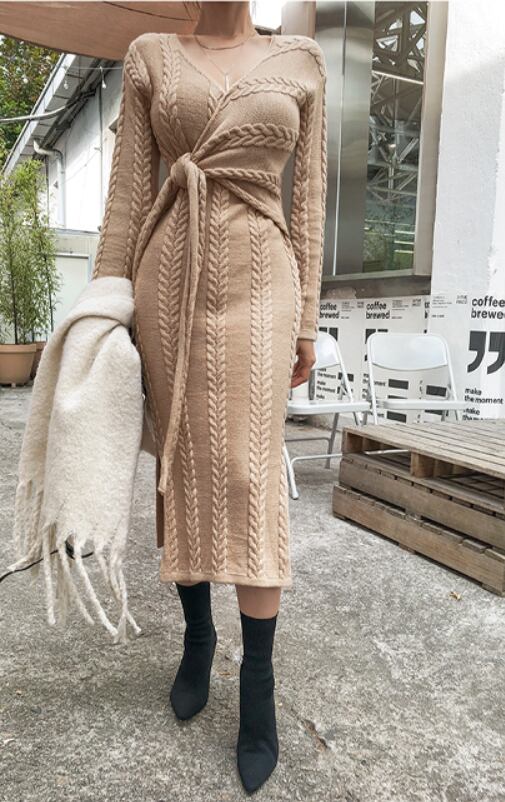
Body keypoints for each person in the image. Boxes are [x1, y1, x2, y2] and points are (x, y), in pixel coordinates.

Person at [91, 0, 327, 793]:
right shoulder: (149, 54)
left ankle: (257, 684)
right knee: (183, 463)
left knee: (251, 475)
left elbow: (309, 201)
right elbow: (128, 194)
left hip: (263, 277)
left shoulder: (301, 60)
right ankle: (197, 640)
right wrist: (103, 308)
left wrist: (307, 320)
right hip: (169, 275)